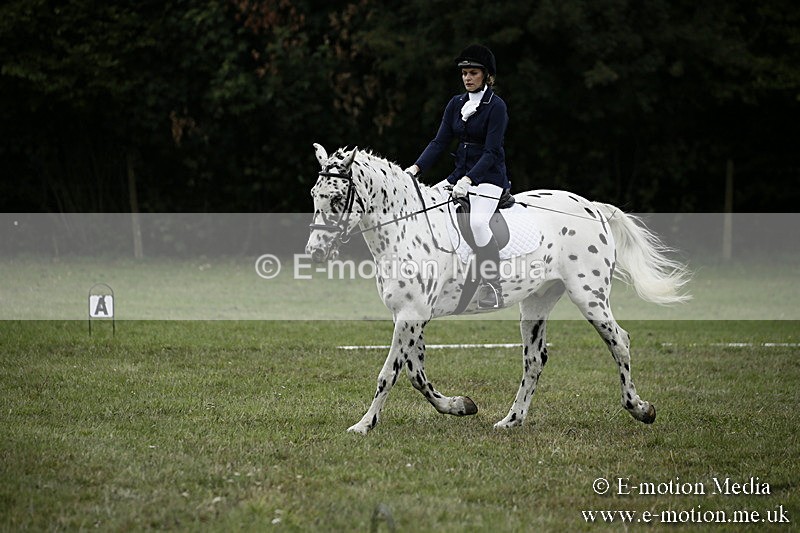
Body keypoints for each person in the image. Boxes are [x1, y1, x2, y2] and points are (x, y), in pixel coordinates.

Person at [405, 44, 510, 309]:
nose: (467, 78)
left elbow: (491, 151)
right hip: (458, 176)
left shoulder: (495, 107)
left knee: (476, 223)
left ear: (486, 76)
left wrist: (470, 180)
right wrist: (415, 170)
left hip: (488, 178)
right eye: (464, 73)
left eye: (473, 72)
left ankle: (492, 285)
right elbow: (439, 142)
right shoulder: (456, 103)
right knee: (426, 207)